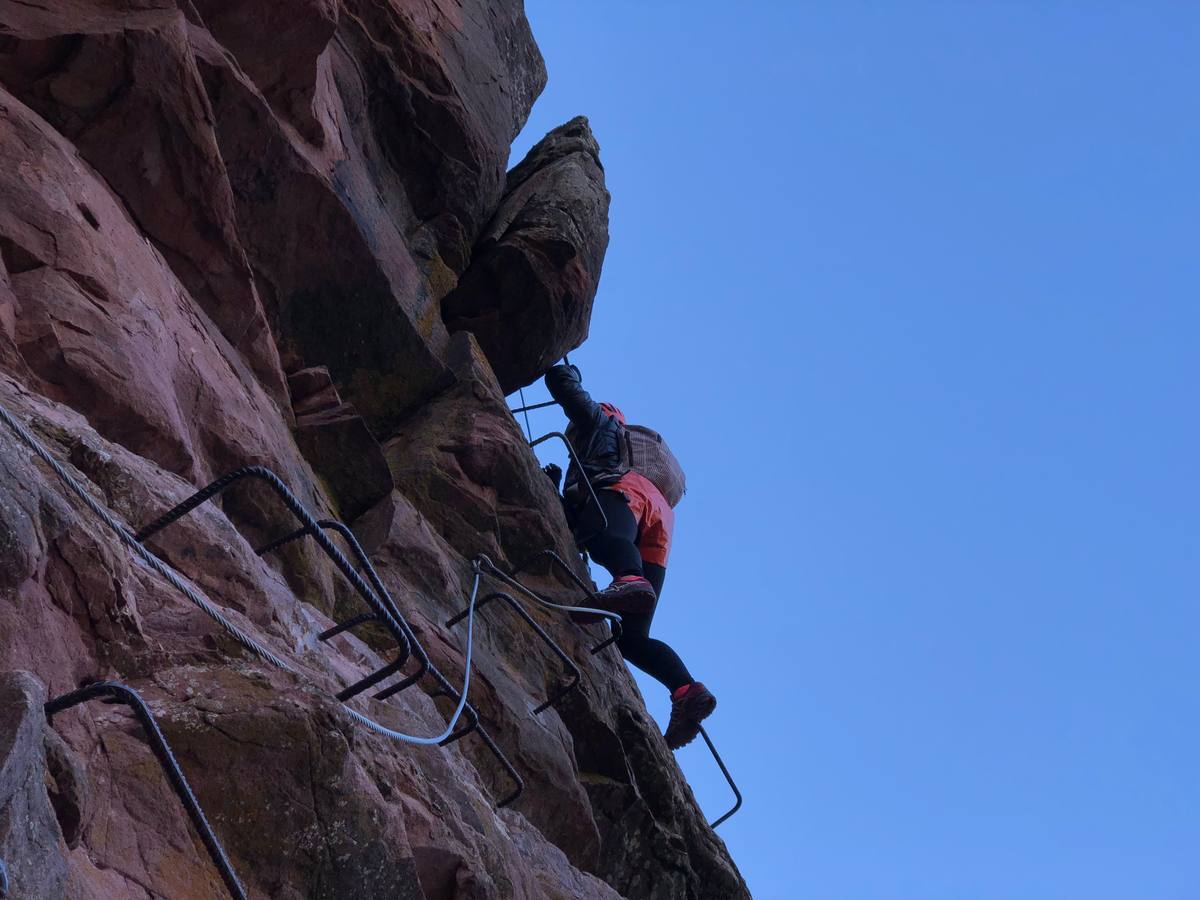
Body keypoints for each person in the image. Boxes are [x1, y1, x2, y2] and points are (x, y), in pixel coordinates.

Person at [542, 363, 716, 750]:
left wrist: (561, 371)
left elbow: (566, 390)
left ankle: (628, 578)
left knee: (603, 536)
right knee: (631, 637)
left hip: (626, 493)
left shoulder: (602, 423)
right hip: (660, 523)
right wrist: (552, 486)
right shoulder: (633, 457)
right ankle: (686, 691)